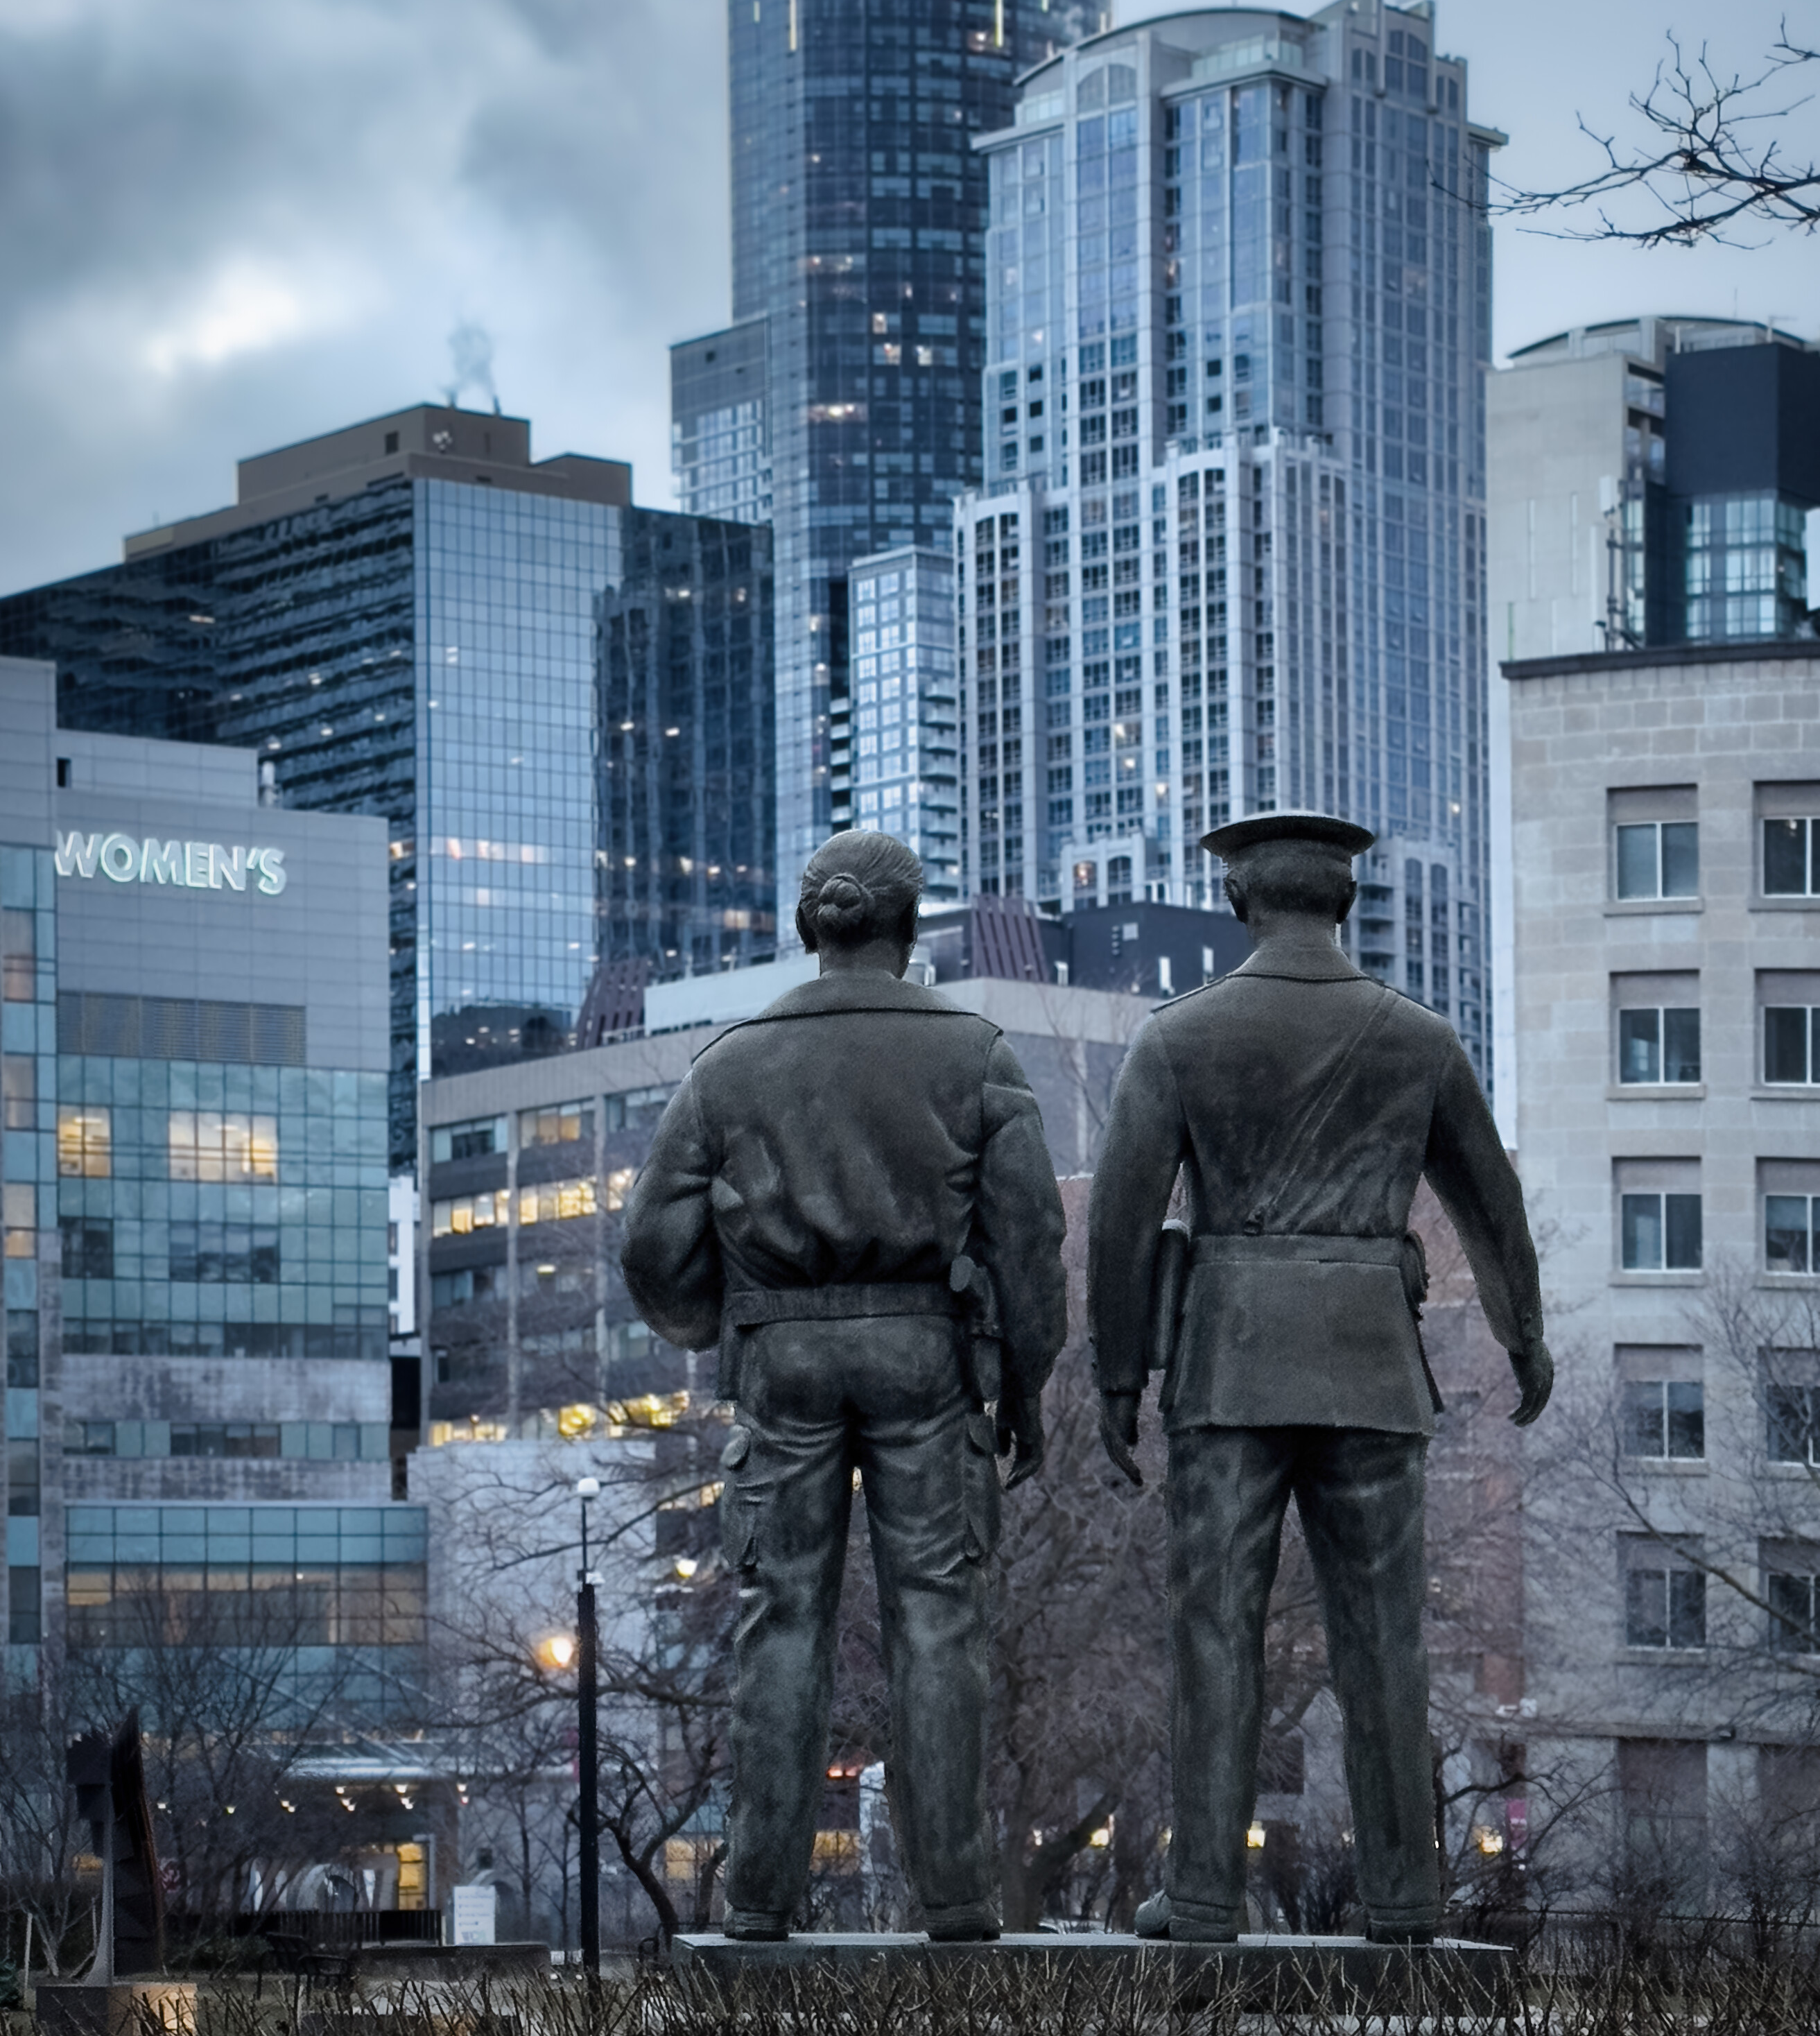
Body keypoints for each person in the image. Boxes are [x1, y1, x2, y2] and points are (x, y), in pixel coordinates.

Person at [1087, 811, 1552, 1945]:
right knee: (1384, 1638)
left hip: (1228, 1363)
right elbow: (1491, 1203)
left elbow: (1119, 1218)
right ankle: (1402, 1896)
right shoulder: (1417, 1038)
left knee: (1214, 1633)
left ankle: (1201, 1895)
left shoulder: (1179, 1037)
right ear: (1342, 902)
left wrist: (1113, 1375)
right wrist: (1520, 1334)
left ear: (1242, 901)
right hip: (1367, 1366)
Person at [623, 830, 1068, 1942]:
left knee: (780, 1623)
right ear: (908, 928)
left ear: (808, 926)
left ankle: (759, 1900)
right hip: (925, 1354)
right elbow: (1028, 1238)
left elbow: (651, 1243)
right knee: (938, 1624)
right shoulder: (975, 1052)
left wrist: (721, 1316)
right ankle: (956, 1898)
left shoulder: (729, 1061)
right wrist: (1023, 1382)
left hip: (784, 1359)